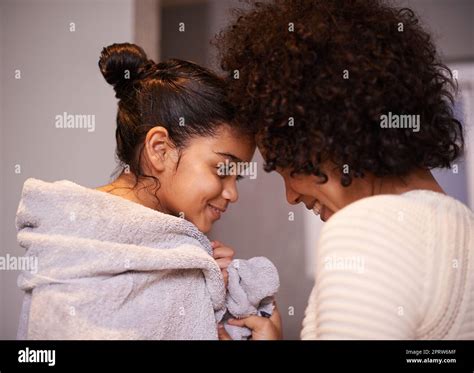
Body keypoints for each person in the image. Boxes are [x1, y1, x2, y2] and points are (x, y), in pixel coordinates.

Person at [216, 0, 474, 340]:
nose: (291, 196)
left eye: (286, 167)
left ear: (325, 135)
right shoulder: (461, 225)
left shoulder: (366, 228)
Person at [15, 43, 254, 339]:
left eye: (238, 178)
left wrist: (210, 286)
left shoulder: (185, 257)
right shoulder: (77, 251)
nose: (233, 194)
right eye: (223, 170)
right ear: (160, 149)